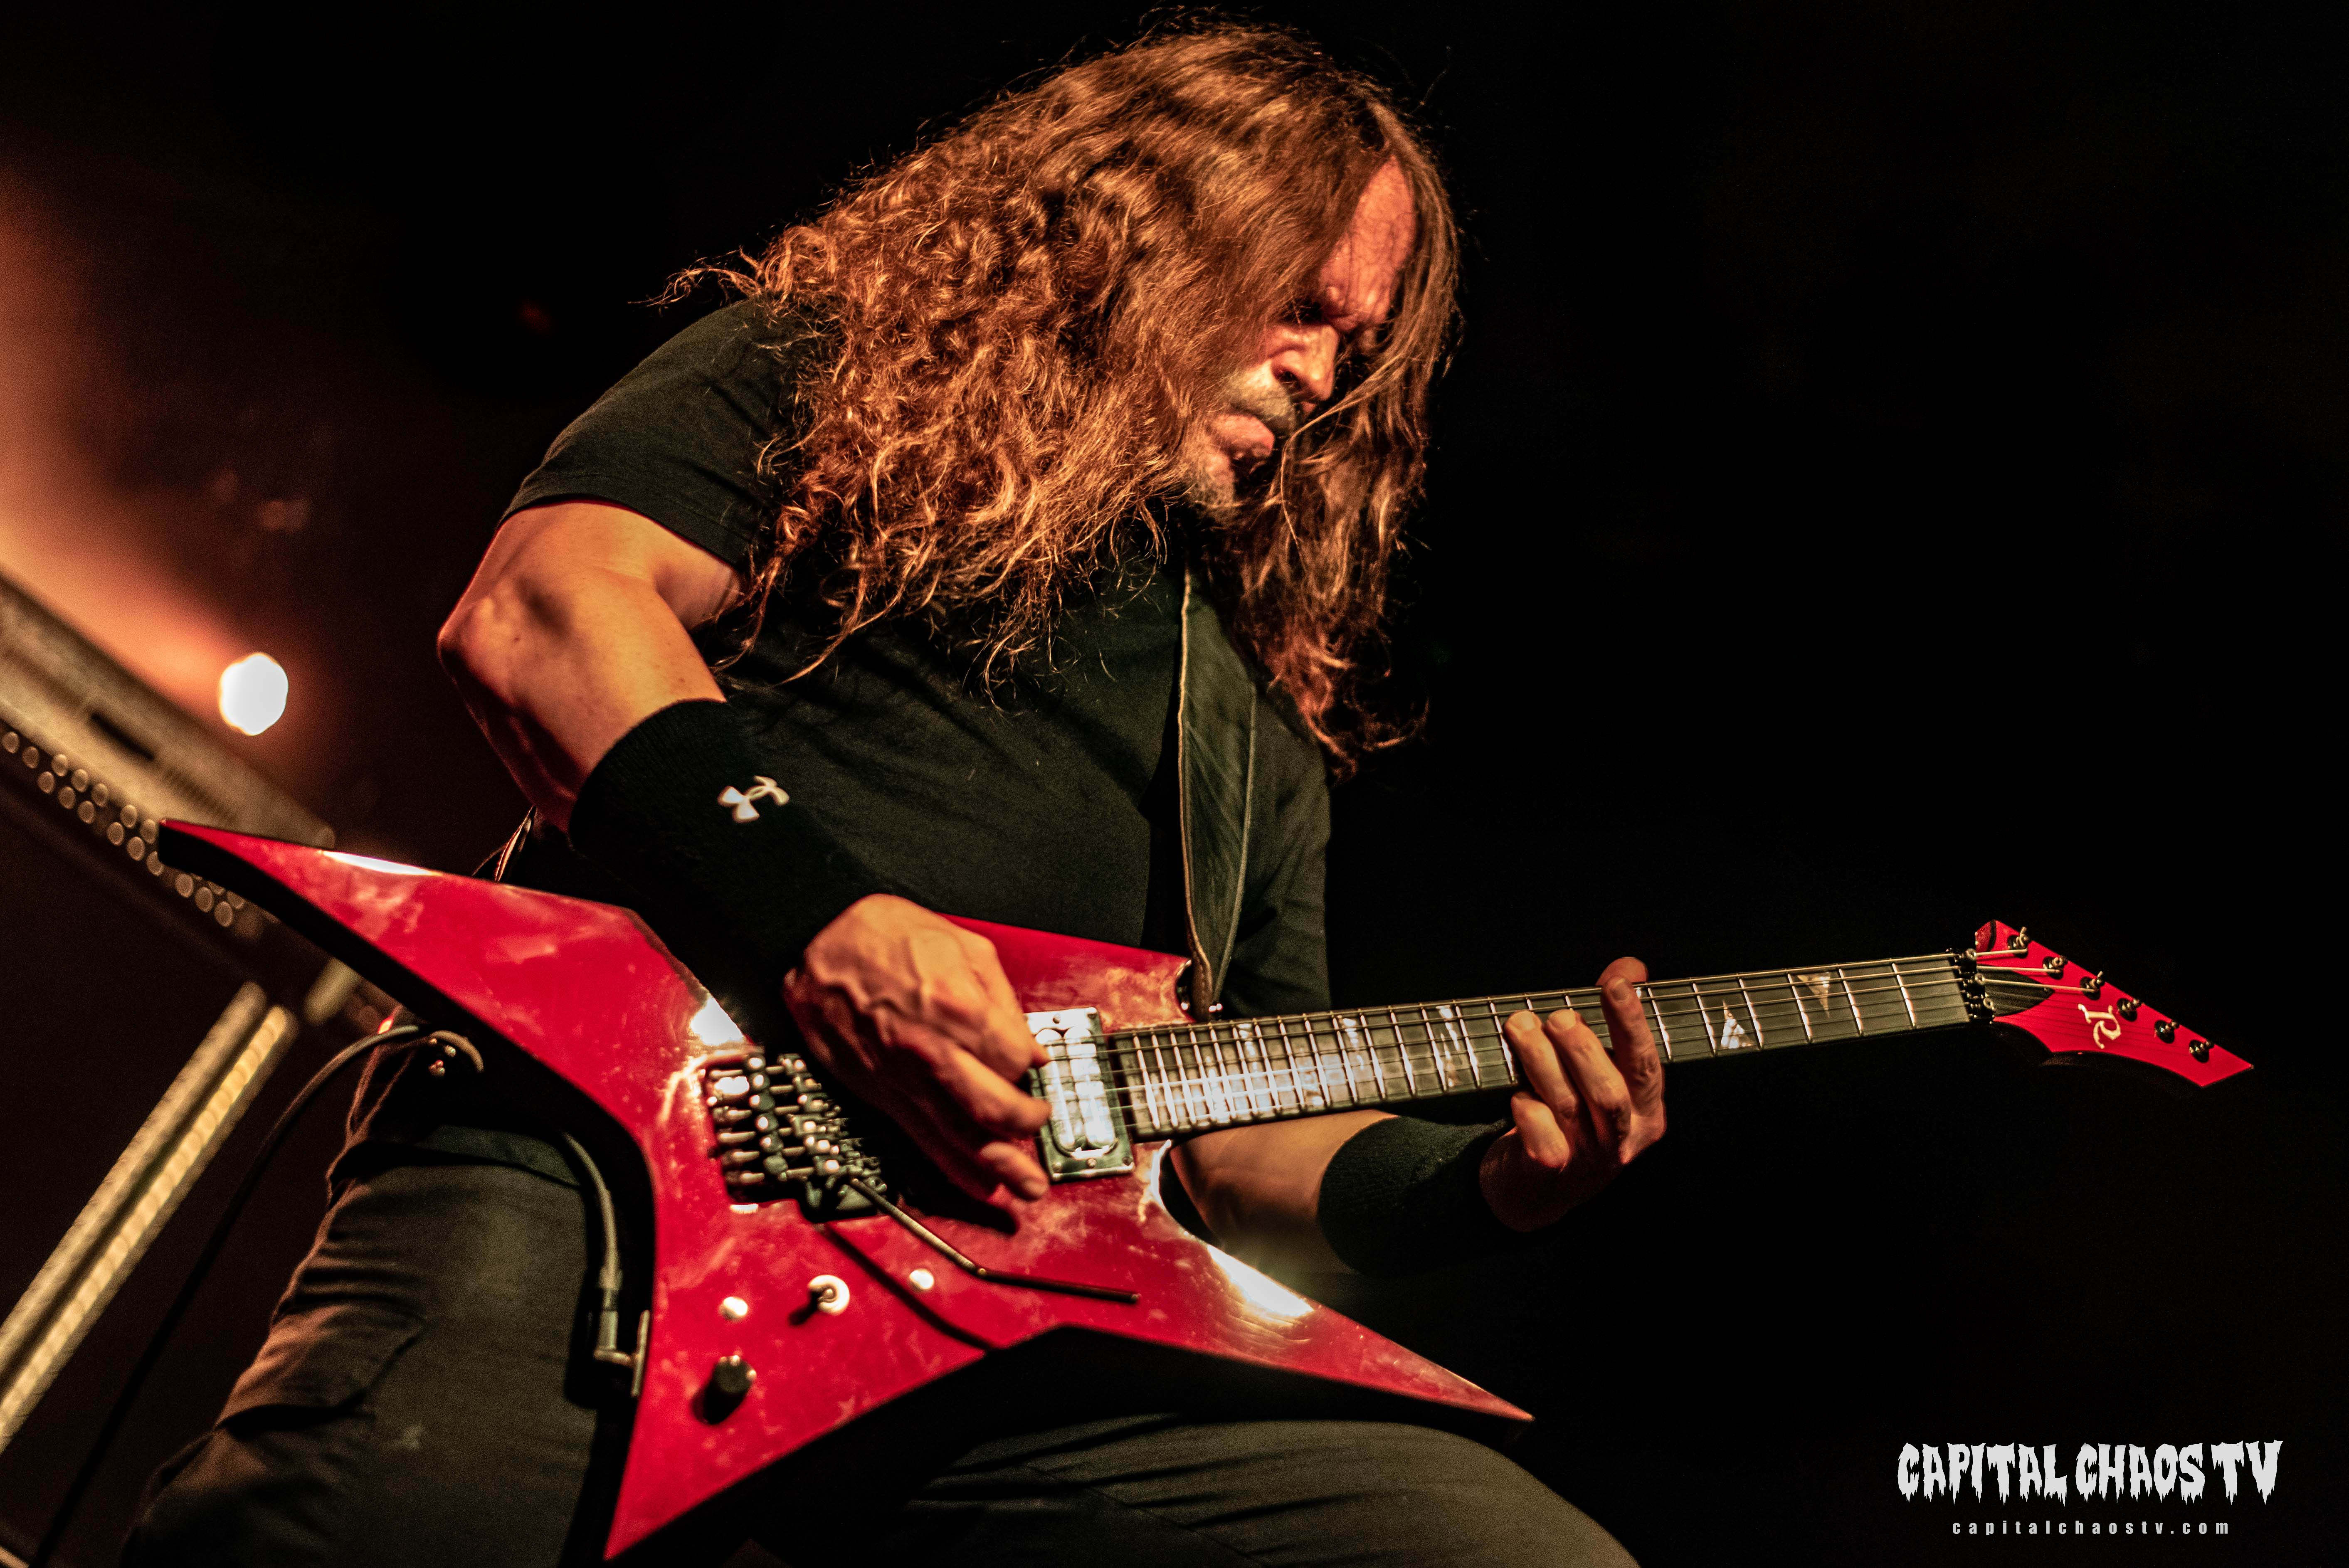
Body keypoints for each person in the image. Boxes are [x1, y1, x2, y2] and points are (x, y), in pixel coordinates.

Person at [129, 25, 1665, 1567]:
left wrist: (1486, 1182)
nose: (1322, 372)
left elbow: (1242, 1140)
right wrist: (822, 924)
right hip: (614, 1189)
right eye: (1299, 305)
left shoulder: (1254, 695)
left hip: (1010, 1332)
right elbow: (544, 608)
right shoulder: (842, 374)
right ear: (1161, 240)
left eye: (1356, 342)